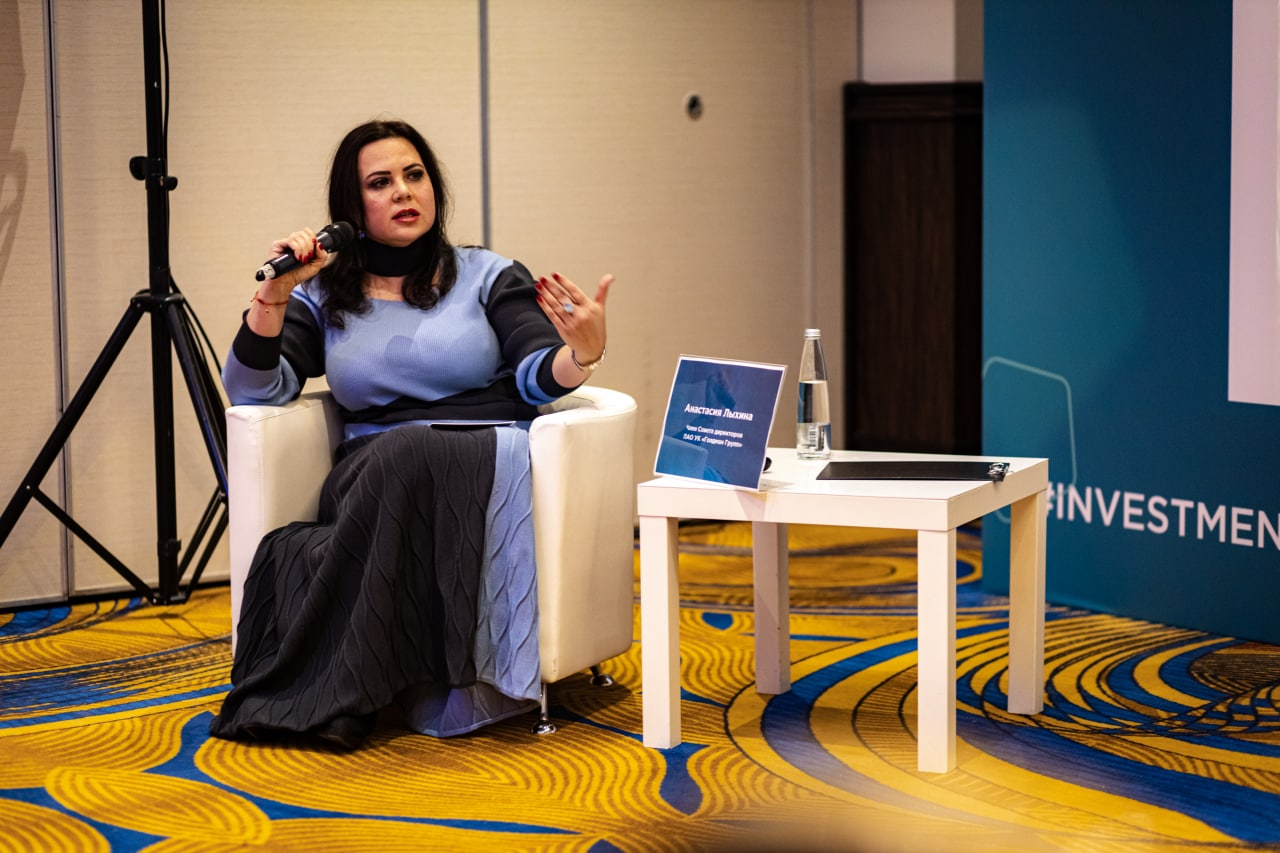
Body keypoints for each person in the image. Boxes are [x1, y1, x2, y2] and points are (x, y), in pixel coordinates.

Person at [209, 118, 611, 748]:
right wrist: (274, 297)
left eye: (414, 175)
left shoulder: (487, 274)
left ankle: (366, 679)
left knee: (412, 448)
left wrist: (582, 352)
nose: (403, 191)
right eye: (381, 182)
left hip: (486, 454)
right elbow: (254, 392)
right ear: (351, 208)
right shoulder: (322, 295)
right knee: (401, 451)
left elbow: (537, 373)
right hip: (374, 472)